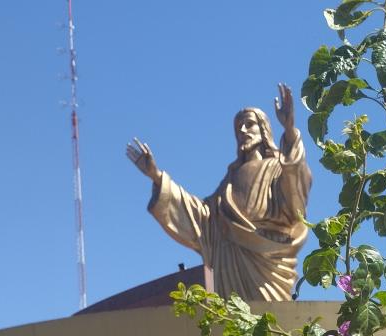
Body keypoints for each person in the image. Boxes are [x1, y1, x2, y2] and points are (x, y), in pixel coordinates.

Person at [126, 83, 312, 301]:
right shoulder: (229, 181)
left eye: (249, 125)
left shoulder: (278, 167)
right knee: (234, 327)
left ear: (264, 130)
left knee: (269, 325)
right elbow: (203, 217)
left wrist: (289, 131)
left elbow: (295, 193)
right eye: (238, 128)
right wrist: (156, 176)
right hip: (228, 262)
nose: (242, 131)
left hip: (268, 264)